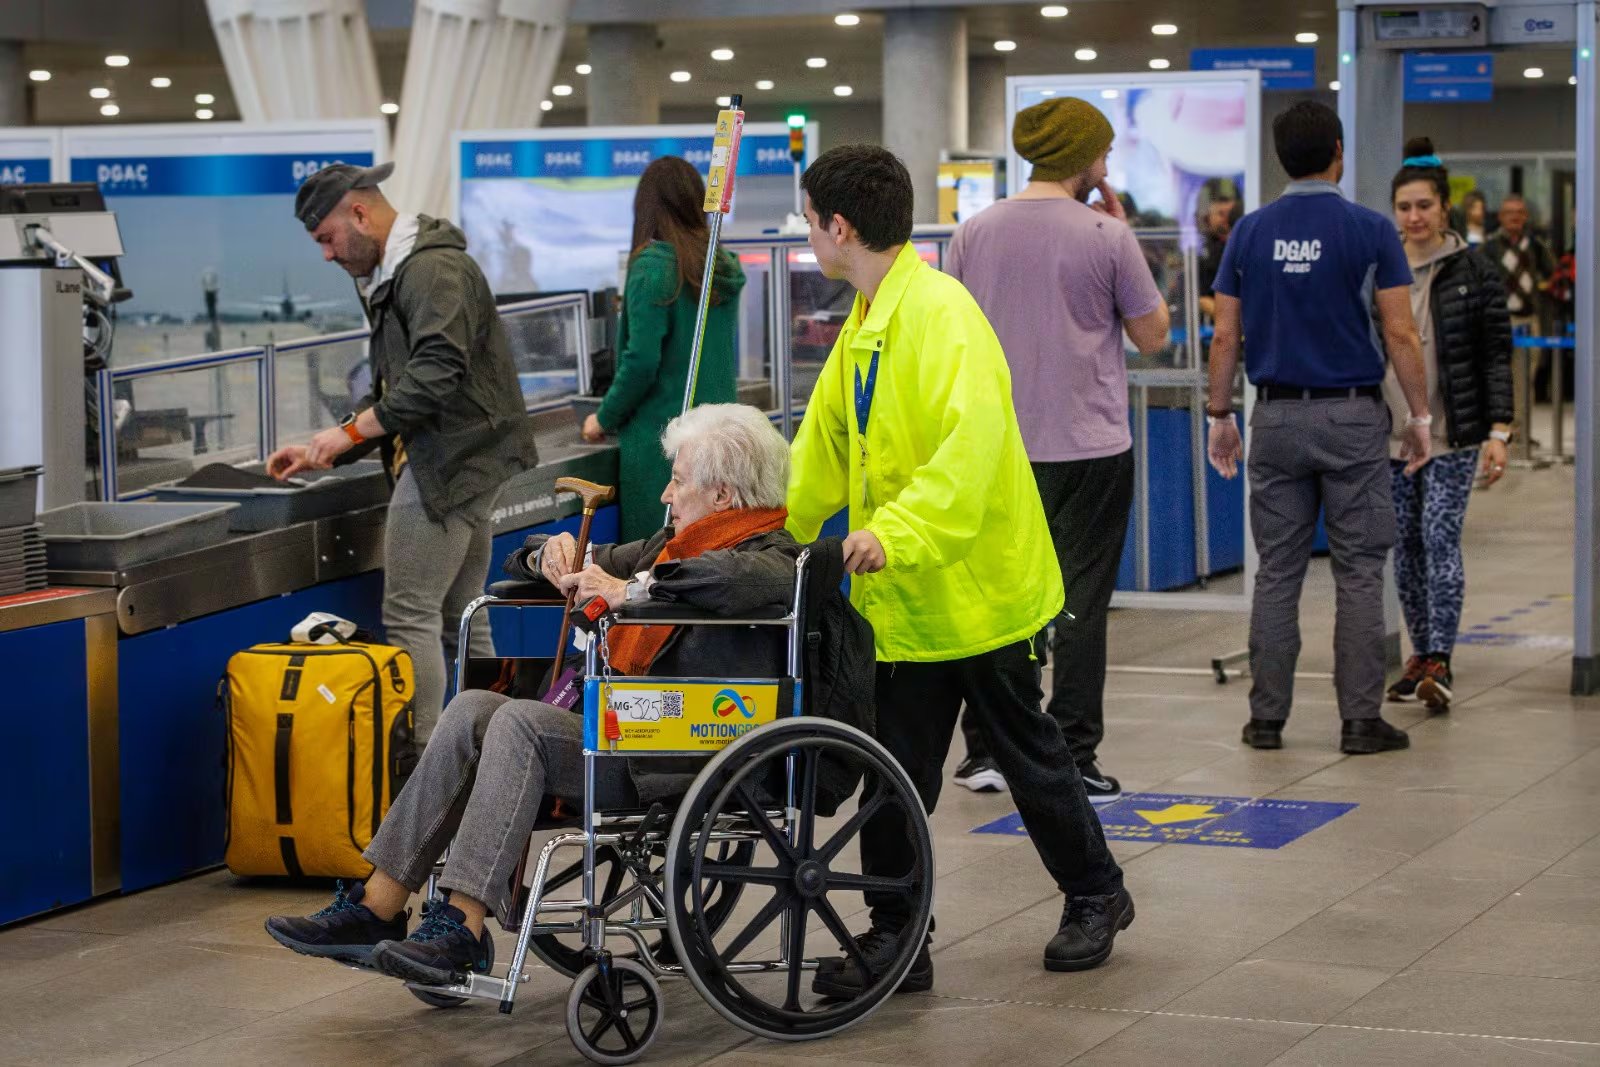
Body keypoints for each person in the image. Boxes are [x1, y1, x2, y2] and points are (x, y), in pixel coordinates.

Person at [264, 404, 802, 984]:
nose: (667, 494)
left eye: (678, 479)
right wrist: (549, 553)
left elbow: (725, 582)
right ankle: (378, 905)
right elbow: (538, 557)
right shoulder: (666, 550)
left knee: (520, 723)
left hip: (676, 758)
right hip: (626, 731)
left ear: (722, 496)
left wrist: (629, 591)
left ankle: (462, 926)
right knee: (473, 708)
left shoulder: (770, 556)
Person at [787, 144, 1132, 997]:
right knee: (892, 768)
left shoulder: (944, 317)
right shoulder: (865, 323)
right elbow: (825, 447)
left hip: (980, 592)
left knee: (1029, 754)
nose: (807, 233)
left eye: (808, 219)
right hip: (906, 598)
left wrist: (891, 533)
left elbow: (969, 454)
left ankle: (1097, 892)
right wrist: (767, 528)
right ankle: (900, 934)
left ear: (839, 227)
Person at [944, 96, 1170, 801]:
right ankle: (1071, 751)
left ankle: (986, 749)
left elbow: (954, 333)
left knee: (1000, 598)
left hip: (998, 445)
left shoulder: (974, 233)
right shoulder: (1106, 235)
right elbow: (1153, 334)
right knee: (1078, 603)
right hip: (1090, 447)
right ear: (1086, 157)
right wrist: (1124, 230)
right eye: (1102, 150)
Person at [268, 163, 537, 745]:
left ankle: (425, 765)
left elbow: (437, 372)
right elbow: (396, 382)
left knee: (411, 612)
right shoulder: (397, 273)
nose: (326, 255)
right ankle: (498, 746)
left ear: (359, 214)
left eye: (326, 238)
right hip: (467, 458)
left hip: (453, 460)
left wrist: (352, 433)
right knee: (461, 613)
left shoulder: (431, 269)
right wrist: (329, 446)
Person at [1205, 101, 1432, 756]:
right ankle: (1360, 721)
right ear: (1338, 150)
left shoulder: (1248, 233)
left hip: (1275, 414)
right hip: (1353, 417)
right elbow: (1399, 330)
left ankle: (1265, 719)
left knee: (1277, 569)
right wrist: (1418, 416)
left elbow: (1225, 334)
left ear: (1282, 157)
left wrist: (1221, 416)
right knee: (1360, 570)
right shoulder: (1369, 230)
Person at [1383, 141, 1513, 712]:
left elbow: (1495, 355)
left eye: (1424, 206)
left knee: (1439, 538)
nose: (1414, 217)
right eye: (1404, 207)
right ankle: (1420, 654)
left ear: (1444, 209)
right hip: (1393, 434)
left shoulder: (1475, 271)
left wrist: (1500, 430)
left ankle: (1441, 656)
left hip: (1453, 433)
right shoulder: (1380, 269)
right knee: (1406, 545)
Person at [581, 156, 747, 542]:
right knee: (709, 559)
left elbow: (640, 362)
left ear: (648, 208)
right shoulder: (719, 266)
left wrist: (603, 418)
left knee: (653, 565)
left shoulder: (653, 268)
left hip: (662, 446)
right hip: (718, 438)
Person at [1484, 194, 1557, 439]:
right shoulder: (1490, 246)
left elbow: (1553, 273)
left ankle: (1522, 432)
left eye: (1519, 212)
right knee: (1500, 376)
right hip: (1500, 321)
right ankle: (1500, 431)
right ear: (1501, 217)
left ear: (1525, 217)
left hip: (1529, 319)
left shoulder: (1536, 245)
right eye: (1509, 212)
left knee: (1527, 376)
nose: (1514, 217)